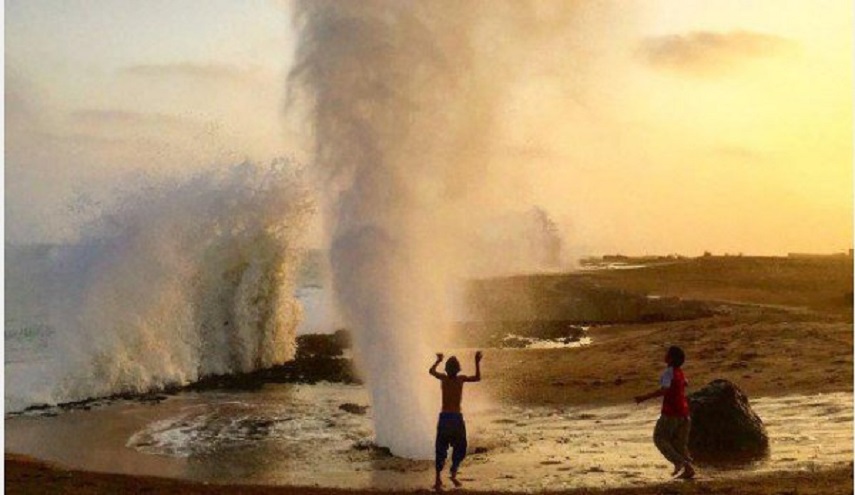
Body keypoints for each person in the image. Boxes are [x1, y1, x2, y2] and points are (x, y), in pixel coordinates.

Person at [634, 345, 696, 480]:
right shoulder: (679, 372)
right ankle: (687, 468)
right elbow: (685, 383)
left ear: (671, 358)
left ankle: (681, 463)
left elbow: (664, 390)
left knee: (660, 438)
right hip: (684, 413)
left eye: (667, 354)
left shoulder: (668, 373)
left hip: (671, 413)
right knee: (680, 444)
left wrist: (644, 397)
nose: (665, 355)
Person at [429, 351, 482, 491]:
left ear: (447, 369)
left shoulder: (444, 378)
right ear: (458, 369)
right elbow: (477, 377)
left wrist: (438, 361)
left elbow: (431, 371)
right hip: (455, 418)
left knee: (441, 447)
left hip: (445, 417)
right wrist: (476, 361)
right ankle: (452, 472)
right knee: (460, 446)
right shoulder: (460, 379)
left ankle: (439, 479)